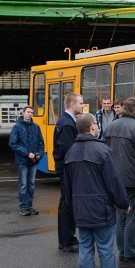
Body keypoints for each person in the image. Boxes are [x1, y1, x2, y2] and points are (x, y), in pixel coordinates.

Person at [64, 113, 130, 268]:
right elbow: (114, 181)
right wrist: (123, 203)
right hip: (101, 208)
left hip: (80, 209)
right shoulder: (103, 151)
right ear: (93, 127)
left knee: (85, 248)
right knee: (106, 248)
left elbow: (66, 186)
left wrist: (72, 209)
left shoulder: (71, 152)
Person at [105, 97, 135, 263]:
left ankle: (123, 250)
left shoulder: (110, 127)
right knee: (134, 216)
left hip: (115, 178)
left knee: (120, 215)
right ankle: (130, 251)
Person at [53, 92, 83, 253]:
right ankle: (68, 240)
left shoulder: (66, 121)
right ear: (72, 104)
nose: (82, 106)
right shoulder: (67, 124)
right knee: (68, 205)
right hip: (67, 168)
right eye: (80, 103)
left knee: (65, 203)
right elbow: (68, 150)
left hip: (64, 167)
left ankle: (64, 239)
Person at [8, 105, 44, 216]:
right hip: (22, 160)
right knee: (23, 185)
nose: (30, 114)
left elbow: (41, 143)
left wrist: (38, 155)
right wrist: (27, 153)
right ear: (23, 113)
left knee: (31, 184)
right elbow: (12, 144)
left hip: (33, 161)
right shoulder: (17, 127)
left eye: (31, 112)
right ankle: (23, 207)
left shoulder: (36, 127)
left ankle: (29, 206)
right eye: (28, 112)